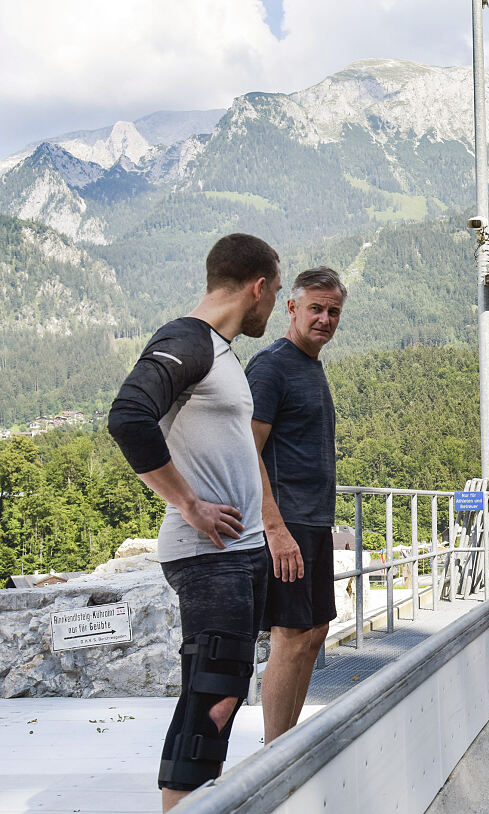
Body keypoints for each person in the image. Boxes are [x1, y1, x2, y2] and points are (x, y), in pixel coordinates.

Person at [107, 233, 298, 811]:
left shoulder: (220, 351)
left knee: (223, 689)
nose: (273, 304)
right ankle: (181, 805)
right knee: (212, 694)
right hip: (205, 552)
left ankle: (194, 801)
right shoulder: (186, 339)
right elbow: (127, 417)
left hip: (236, 553)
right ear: (259, 287)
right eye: (277, 292)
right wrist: (189, 503)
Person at [246, 267, 346, 743]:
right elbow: (247, 451)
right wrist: (274, 528)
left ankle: (287, 743)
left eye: (333, 311)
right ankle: (272, 753)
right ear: (292, 308)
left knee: (315, 631)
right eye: (316, 308)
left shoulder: (310, 364)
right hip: (287, 524)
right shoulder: (272, 366)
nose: (324, 318)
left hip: (315, 521)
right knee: (289, 636)